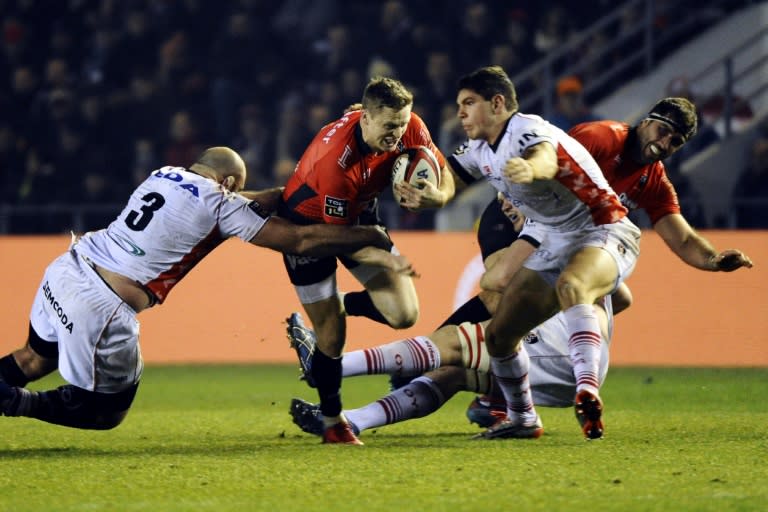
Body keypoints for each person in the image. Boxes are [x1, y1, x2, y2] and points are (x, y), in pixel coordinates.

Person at [0, 147, 412, 431]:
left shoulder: (162, 175)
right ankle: (19, 403)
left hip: (68, 267)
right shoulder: (219, 202)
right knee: (106, 412)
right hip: (101, 303)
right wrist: (368, 235)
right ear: (229, 181)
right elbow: (300, 241)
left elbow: (240, 202)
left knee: (33, 358)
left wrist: (287, 195)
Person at [442, 66, 642, 440]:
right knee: (500, 337)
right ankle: (520, 416)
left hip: (602, 226)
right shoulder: (480, 151)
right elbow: (446, 182)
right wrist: (425, 195)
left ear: (497, 103)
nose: (460, 113)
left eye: (469, 103)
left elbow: (545, 157)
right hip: (556, 238)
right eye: (459, 104)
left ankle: (586, 390)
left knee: (571, 286)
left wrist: (530, 169)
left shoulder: (527, 129)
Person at [278, 76, 455, 444]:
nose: (398, 134)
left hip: (359, 216)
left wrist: (435, 198)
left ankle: (331, 311)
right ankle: (333, 424)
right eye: (390, 126)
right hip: (309, 229)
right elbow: (338, 238)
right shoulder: (336, 162)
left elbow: (445, 174)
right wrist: (387, 259)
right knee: (333, 335)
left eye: (402, 124)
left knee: (404, 314)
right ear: (365, 119)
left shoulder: (411, 128)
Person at [288, 294, 616, 439]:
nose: (507, 204)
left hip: (560, 350)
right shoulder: (592, 247)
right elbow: (621, 298)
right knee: (451, 374)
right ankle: (352, 422)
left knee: (455, 340)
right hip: (573, 367)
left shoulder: (550, 233)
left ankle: (328, 365)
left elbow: (495, 282)